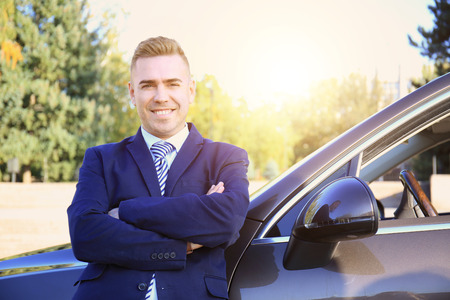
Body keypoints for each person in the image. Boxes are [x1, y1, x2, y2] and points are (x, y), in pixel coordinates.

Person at [67, 36, 250, 300]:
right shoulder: (101, 158)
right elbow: (85, 234)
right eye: (148, 85)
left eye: (172, 84)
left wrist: (126, 210)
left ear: (190, 90)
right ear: (132, 93)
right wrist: (183, 244)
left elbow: (226, 220)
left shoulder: (226, 157)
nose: (161, 97)